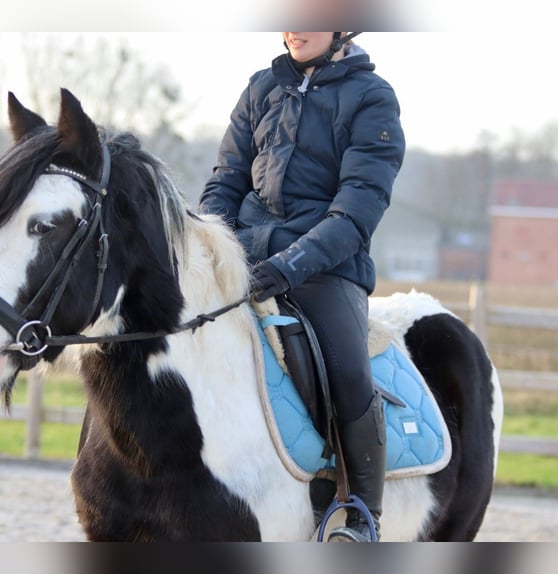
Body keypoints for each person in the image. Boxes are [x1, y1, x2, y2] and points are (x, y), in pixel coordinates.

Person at [199, 32, 405, 542]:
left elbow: (357, 207)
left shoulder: (373, 97)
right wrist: (206, 245)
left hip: (326, 268)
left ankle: (359, 511)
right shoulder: (261, 88)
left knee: (347, 369)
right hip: (245, 255)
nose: (295, 26)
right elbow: (227, 180)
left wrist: (294, 263)